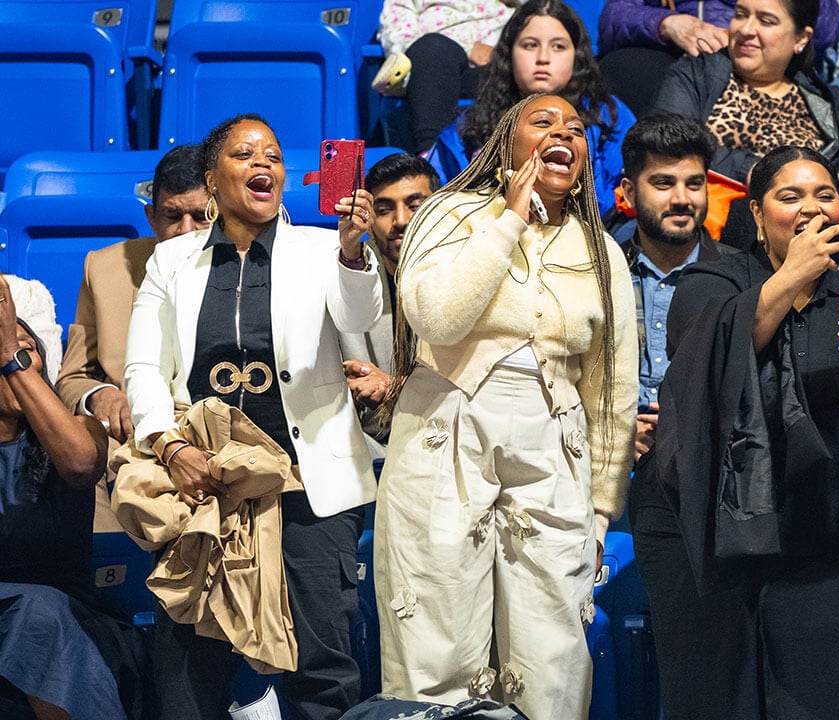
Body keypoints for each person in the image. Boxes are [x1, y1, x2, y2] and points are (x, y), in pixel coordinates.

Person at [375, 94, 637, 720]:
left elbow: (611, 389)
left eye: (576, 129)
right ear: (504, 147)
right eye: (543, 123)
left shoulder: (603, 252)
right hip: (444, 443)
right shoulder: (447, 214)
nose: (563, 134)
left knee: (553, 653)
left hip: (553, 453)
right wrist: (508, 220)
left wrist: (601, 511)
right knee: (436, 643)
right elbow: (437, 317)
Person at [125, 114, 381, 720]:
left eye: (272, 155)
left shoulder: (323, 249)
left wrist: (351, 249)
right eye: (245, 154)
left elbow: (360, 315)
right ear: (212, 179)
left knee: (320, 663)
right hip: (206, 485)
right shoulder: (171, 261)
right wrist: (170, 447)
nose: (264, 164)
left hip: (309, 483)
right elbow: (143, 369)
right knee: (192, 662)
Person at [644, 146, 839, 719]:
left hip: (819, 528)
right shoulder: (708, 281)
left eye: (824, 195)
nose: (810, 208)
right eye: (790, 197)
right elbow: (710, 362)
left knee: (815, 699)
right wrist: (795, 273)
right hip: (714, 533)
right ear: (757, 211)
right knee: (717, 699)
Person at [0, 281, 138, 719]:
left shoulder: (82, 433)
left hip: (70, 620)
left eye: (27, 348)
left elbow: (80, 465)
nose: (18, 357)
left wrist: (9, 359)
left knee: (38, 616)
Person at [55, 145, 207, 532]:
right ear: (151, 217)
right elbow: (71, 380)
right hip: (129, 449)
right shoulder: (104, 268)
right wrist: (99, 395)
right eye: (173, 216)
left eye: (202, 217)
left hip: (214, 444)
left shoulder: (250, 266)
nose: (185, 230)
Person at [426, 0, 635, 213]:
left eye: (558, 47)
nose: (543, 58)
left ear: (577, 56)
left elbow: (623, 194)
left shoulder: (609, 116)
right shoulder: (471, 125)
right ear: (508, 55)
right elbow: (443, 196)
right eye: (530, 45)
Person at [615, 113, 735, 459]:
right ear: (629, 191)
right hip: (609, 468)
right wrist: (618, 430)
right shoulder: (599, 270)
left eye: (694, 184)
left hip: (707, 465)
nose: (682, 199)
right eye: (664, 184)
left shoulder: (737, 277)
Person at [650, 0, 839, 184]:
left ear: (801, 39)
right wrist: (755, 171)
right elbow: (665, 142)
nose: (746, 29)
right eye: (740, 15)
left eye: (766, 21)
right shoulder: (696, 75)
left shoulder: (827, 103)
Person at [339, 153, 440, 450]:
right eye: (384, 210)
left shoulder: (466, 274)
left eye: (415, 206)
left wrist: (394, 388)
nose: (401, 221)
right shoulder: (344, 277)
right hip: (366, 449)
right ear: (369, 221)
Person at [596, 0, 839, 116]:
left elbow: (824, 31)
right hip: (683, 60)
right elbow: (612, 19)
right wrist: (666, 23)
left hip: (765, 65)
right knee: (623, 67)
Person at [375, 0, 520, 154]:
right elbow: (398, 37)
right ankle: (431, 156)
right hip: (432, 70)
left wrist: (503, 56)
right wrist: (469, 49)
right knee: (432, 48)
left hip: (492, 70)